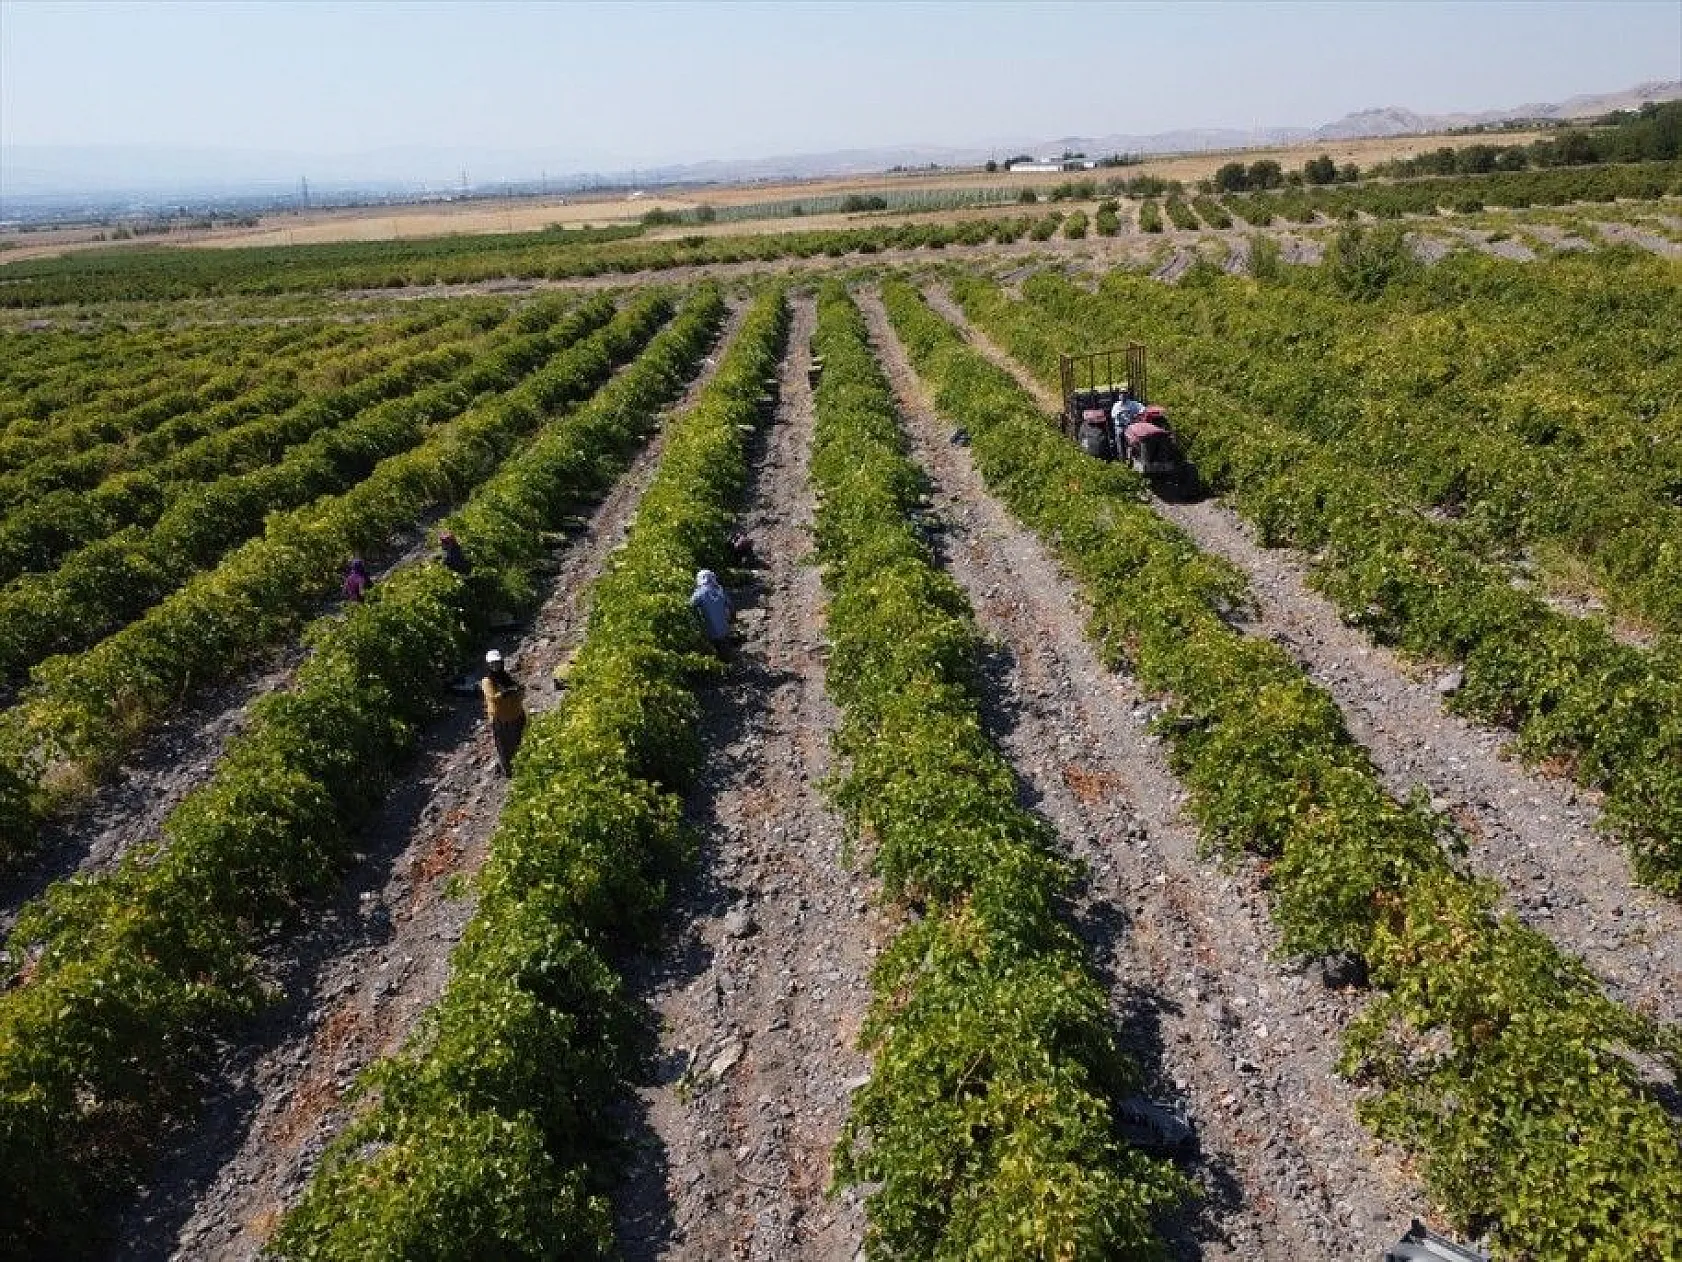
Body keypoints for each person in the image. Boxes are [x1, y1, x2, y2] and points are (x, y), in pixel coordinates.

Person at [480, 649, 527, 776]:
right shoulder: (487, 681)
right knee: (505, 747)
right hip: (502, 720)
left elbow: (518, 692)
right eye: (492, 664)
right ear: (488, 665)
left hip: (516, 715)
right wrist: (508, 692)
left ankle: (523, 767)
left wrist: (519, 690)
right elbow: (492, 697)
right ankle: (509, 772)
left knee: (520, 742)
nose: (495, 666)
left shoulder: (506, 677)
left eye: (497, 663)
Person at [689, 568, 734, 659]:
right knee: (725, 653)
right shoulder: (720, 591)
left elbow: (689, 606)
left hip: (710, 632)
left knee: (713, 655)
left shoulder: (699, 594)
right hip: (724, 630)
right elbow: (731, 607)